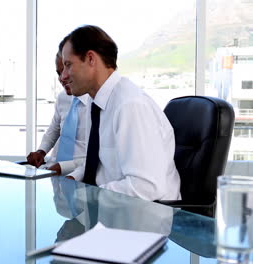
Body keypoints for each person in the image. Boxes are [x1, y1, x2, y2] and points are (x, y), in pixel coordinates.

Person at [60, 25, 181, 201]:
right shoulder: (97, 104)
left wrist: (86, 196)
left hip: (142, 221)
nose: (63, 76)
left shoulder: (130, 105)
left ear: (91, 59)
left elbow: (146, 187)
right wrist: (72, 178)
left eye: (68, 65)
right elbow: (98, 164)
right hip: (111, 214)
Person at [27, 52, 91, 175]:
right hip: (51, 171)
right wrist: (41, 151)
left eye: (67, 70)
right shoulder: (62, 98)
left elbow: (99, 157)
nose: (62, 78)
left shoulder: (96, 103)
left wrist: (63, 167)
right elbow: (54, 129)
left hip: (79, 174)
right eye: (59, 72)